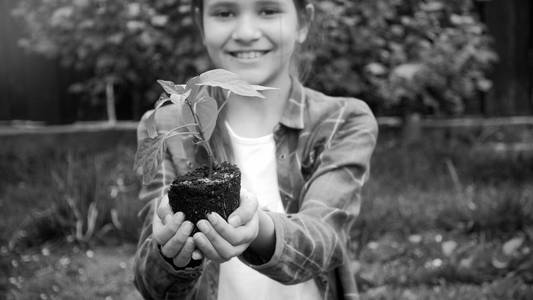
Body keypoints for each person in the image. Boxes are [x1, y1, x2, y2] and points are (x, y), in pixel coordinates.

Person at [133, 0, 378, 299]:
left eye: (268, 10)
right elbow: (151, 283)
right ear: (201, 24)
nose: (246, 32)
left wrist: (258, 230)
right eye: (224, 13)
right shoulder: (165, 125)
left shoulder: (342, 121)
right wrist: (169, 254)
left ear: (302, 22)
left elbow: (323, 241)